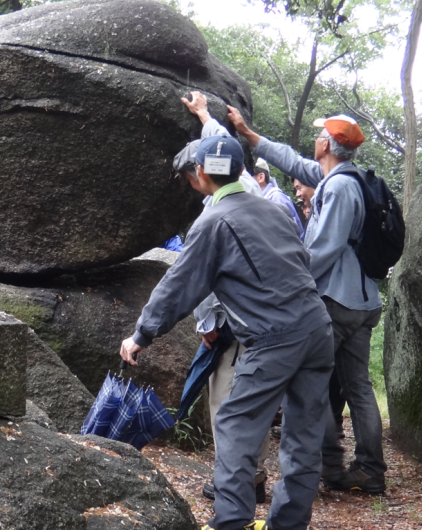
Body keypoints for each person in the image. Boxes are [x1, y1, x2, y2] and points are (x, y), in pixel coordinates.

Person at [121, 135, 334, 530]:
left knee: (236, 428)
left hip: (273, 337)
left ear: (199, 174)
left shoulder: (213, 221)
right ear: (241, 171)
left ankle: (230, 524)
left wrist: (141, 334)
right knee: (303, 436)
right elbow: (301, 260)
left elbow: (180, 285)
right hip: (318, 329)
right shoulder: (274, 209)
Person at [227, 108, 387, 495]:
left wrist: (289, 287)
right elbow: (292, 161)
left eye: (319, 136)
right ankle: (368, 471)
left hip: (336, 301)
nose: (313, 142)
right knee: (358, 388)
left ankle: (327, 467)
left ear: (327, 145)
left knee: (312, 385)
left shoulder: (338, 187)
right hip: (362, 302)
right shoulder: (341, 176)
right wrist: (250, 134)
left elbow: (322, 249)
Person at [172, 140, 271, 504]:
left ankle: (234, 480)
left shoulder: (215, 212)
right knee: (253, 398)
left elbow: (203, 276)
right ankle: (254, 475)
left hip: (231, 323)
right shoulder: (254, 196)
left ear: (198, 172)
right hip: (267, 321)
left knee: (225, 401)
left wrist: (206, 322)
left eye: (189, 175)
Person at [253, 159, 305, 241]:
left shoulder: (276, 198)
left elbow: (290, 237)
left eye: (247, 177)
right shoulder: (262, 199)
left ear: (261, 177)